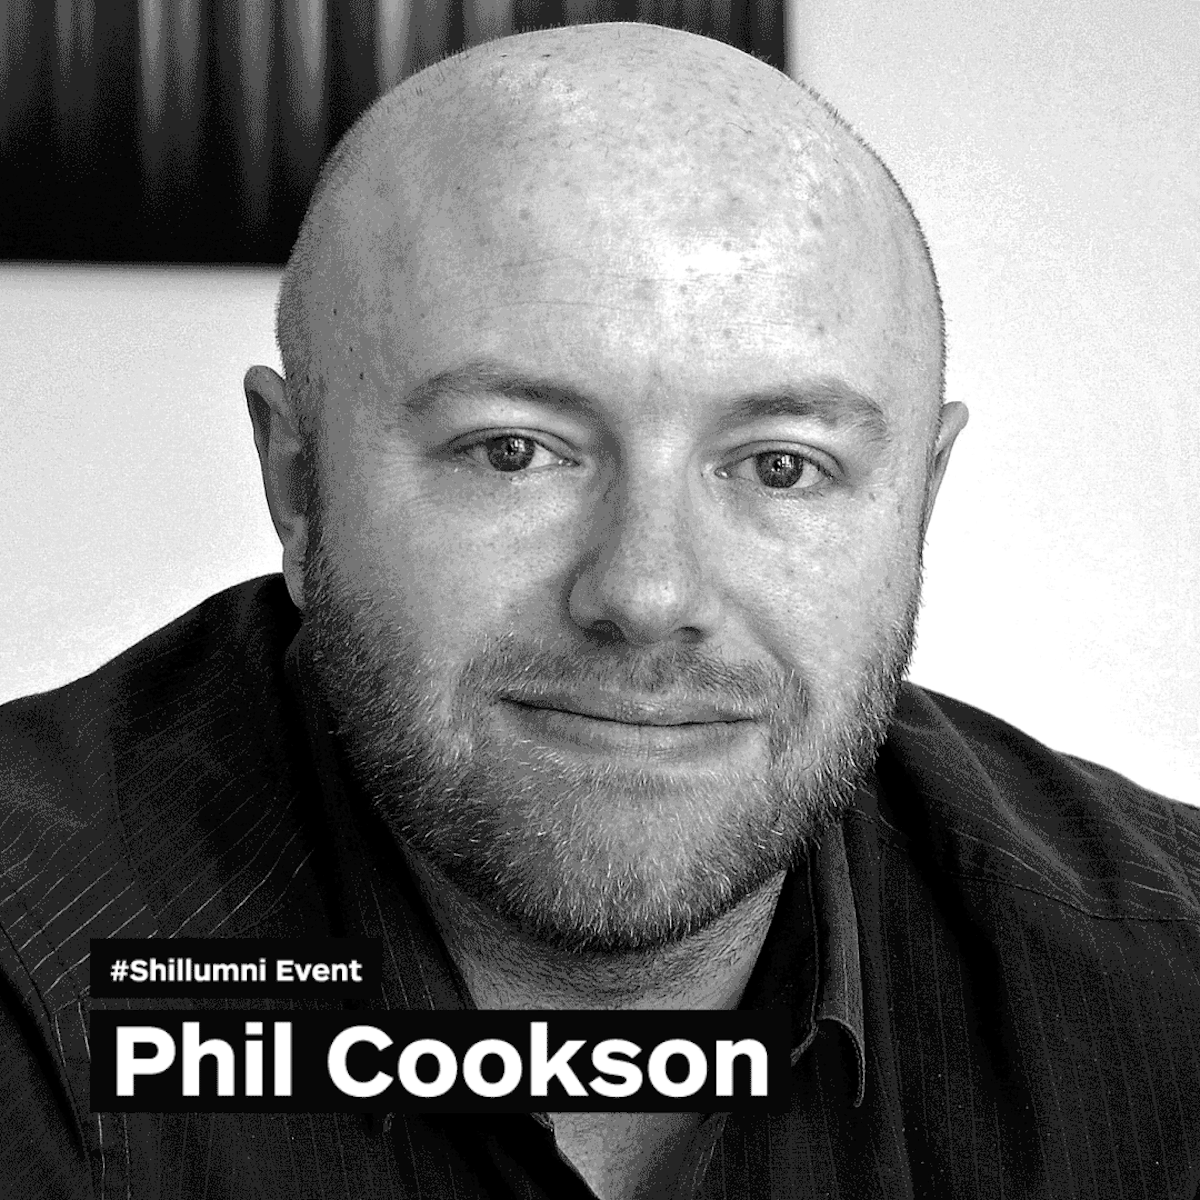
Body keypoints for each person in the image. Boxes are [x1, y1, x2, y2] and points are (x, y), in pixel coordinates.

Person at [1, 20, 1197, 1200]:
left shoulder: (1165, 989)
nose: (647, 595)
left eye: (782, 465)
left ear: (918, 503)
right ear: (299, 485)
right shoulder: (33, 978)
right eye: (513, 451)